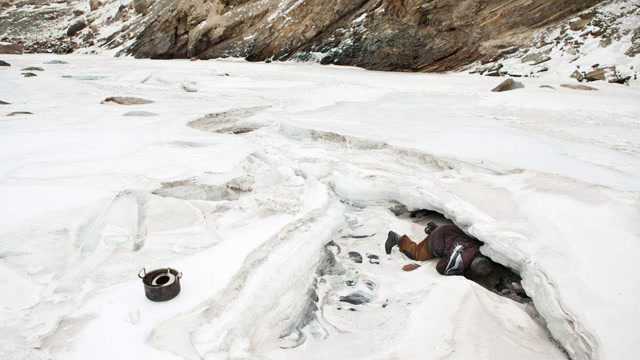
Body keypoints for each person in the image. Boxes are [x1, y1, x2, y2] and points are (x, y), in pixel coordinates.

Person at [385, 222, 492, 276]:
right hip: (437, 240)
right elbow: (441, 268)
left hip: (448, 230)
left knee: (451, 240)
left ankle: (434, 229)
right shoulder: (461, 258)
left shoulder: (479, 248)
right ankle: (396, 238)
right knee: (417, 254)